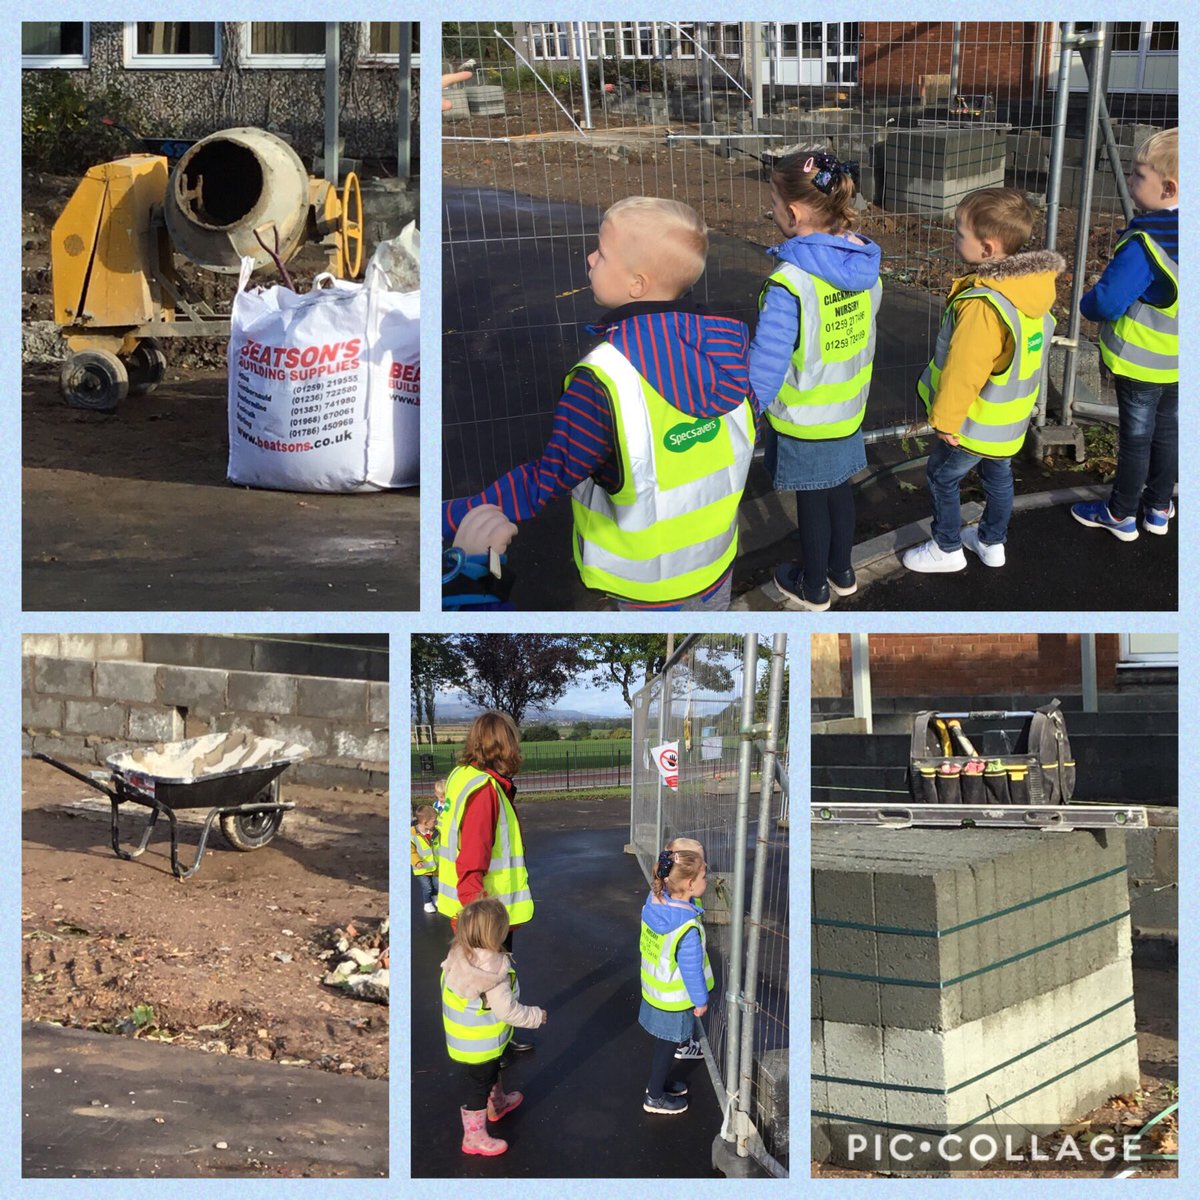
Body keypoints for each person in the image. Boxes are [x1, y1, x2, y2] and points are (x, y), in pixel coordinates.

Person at [443, 196, 758, 612]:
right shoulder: (728, 349)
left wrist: (457, 515)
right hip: (714, 565)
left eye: (602, 254)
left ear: (637, 285)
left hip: (647, 586)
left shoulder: (605, 378)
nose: (590, 259)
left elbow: (552, 475)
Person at [903, 188, 1064, 572]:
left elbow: (964, 369)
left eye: (960, 233)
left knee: (941, 477)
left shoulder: (984, 304)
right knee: (999, 476)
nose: (954, 238)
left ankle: (946, 547)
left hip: (972, 422)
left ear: (988, 249)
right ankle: (992, 542)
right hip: (1009, 422)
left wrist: (945, 419)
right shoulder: (1032, 291)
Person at [750, 150, 883, 611]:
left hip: (805, 416)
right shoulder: (864, 268)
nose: (771, 209)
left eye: (773, 200)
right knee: (839, 488)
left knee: (811, 501)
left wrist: (750, 410)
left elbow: (768, 360)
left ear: (793, 212)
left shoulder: (790, 282)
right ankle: (841, 572)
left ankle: (813, 586)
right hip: (848, 408)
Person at [1071, 127, 1178, 540]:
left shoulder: (1147, 242)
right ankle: (1159, 507)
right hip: (1179, 361)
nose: (1130, 183)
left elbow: (1108, 302)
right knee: (1168, 432)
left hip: (1139, 360)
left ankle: (1120, 513)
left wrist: (1086, 304)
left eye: (1137, 176)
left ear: (1167, 187)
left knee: (1136, 438)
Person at [436, 711, 535, 1048]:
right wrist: (478, 927)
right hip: (483, 915)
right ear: (505, 745)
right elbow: (471, 862)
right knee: (491, 982)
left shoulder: (463, 776)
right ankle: (491, 1057)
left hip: (474, 911)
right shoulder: (484, 792)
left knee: (492, 984)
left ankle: (500, 1042)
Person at [441, 896, 548, 1156]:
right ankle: (474, 1137)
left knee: (491, 1071)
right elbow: (507, 1011)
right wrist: (536, 1016)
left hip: (464, 1038)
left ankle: (497, 1103)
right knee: (479, 1085)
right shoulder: (494, 972)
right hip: (482, 1042)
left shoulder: (458, 956)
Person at [639, 841, 714, 1114]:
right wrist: (700, 1001)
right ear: (691, 884)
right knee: (667, 1046)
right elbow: (692, 969)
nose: (708, 880)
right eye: (704, 877)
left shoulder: (656, 902)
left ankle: (659, 1084)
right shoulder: (687, 928)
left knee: (665, 1044)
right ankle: (654, 1096)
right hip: (676, 998)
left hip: (656, 991)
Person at [411, 804, 439, 913]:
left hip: (433, 866)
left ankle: (435, 897)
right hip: (421, 868)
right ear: (425, 823)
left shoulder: (434, 832)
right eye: (434, 821)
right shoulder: (412, 835)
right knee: (427, 887)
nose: (436, 823)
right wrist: (416, 861)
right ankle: (427, 903)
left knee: (436, 884)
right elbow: (410, 851)